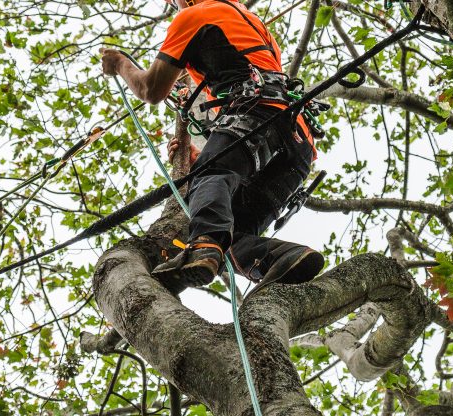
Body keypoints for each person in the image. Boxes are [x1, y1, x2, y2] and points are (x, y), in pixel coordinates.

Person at [100, 0, 324, 288]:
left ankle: (203, 245)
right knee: (232, 235)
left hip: (255, 113)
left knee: (209, 180)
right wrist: (205, 153)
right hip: (296, 144)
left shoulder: (193, 16)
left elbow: (151, 88)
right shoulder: (254, 26)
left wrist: (120, 63)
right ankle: (281, 258)